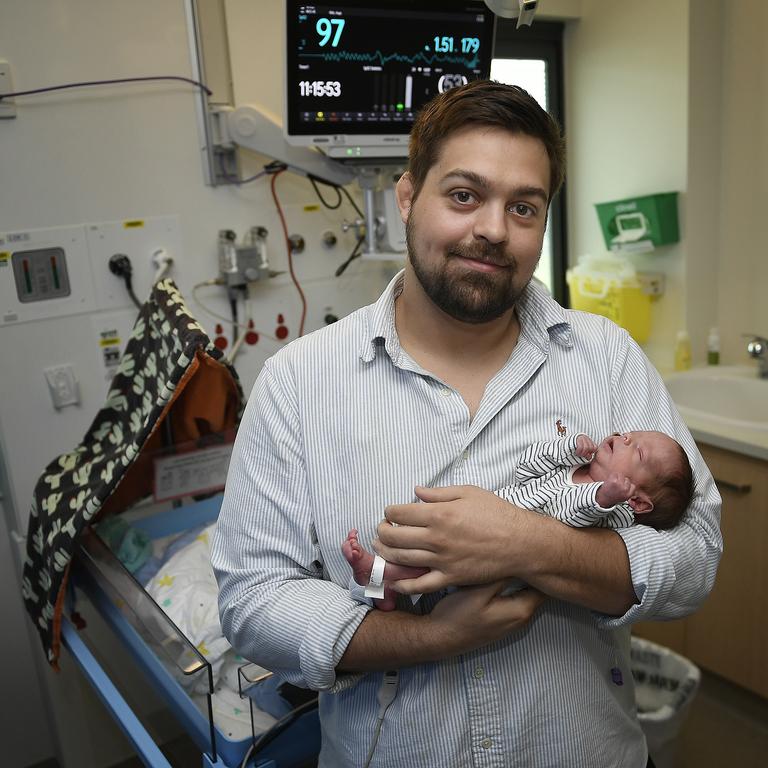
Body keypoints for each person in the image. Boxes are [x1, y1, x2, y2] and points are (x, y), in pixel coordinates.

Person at [212, 80, 721, 768]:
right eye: (463, 195)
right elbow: (254, 602)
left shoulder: (606, 358)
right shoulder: (299, 384)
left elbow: (696, 558)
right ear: (406, 197)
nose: (492, 228)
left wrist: (530, 544)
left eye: (524, 207)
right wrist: (429, 639)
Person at [342, 430, 694, 611]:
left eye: (638, 451)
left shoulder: (612, 512)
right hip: (488, 518)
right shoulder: (574, 470)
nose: (625, 438)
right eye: (630, 434)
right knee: (420, 540)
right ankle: (381, 591)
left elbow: (569, 517)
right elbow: (526, 467)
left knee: (431, 568)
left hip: (501, 565)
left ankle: (377, 577)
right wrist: (568, 448)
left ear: (637, 501)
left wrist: (603, 497)